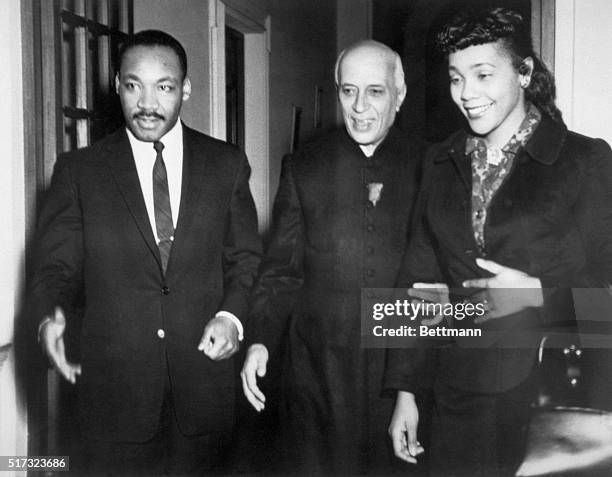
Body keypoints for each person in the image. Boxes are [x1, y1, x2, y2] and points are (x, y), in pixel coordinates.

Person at [385, 7, 612, 477]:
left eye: (483, 74)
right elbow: (418, 283)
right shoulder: (438, 161)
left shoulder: (585, 160)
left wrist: (535, 295)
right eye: (455, 78)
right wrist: (405, 392)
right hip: (455, 396)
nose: (466, 95)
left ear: (525, 71)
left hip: (551, 401)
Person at [29, 30, 261, 475]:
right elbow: (53, 269)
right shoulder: (79, 172)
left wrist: (232, 317)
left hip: (204, 394)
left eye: (165, 87)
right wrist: (48, 317)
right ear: (116, 84)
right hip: (113, 401)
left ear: (186, 89)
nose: (147, 103)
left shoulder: (226, 164)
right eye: (134, 86)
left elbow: (246, 259)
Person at [240, 40, 427, 474]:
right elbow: (281, 271)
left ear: (399, 94)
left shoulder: (433, 166)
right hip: (316, 375)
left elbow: (432, 284)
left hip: (398, 374)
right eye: (348, 91)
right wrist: (260, 339)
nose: (359, 106)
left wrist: (410, 386)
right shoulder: (304, 166)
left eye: (375, 91)